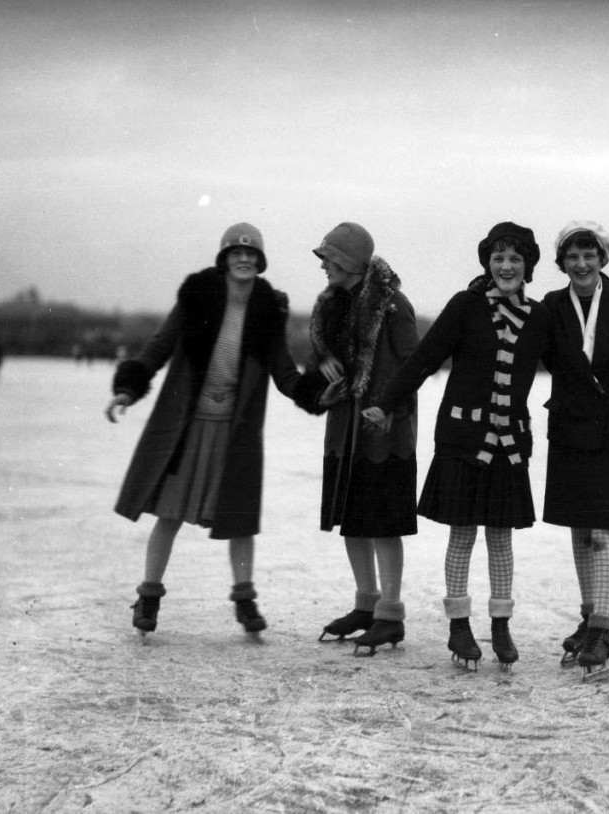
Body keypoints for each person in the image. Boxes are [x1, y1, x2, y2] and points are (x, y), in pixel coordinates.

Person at [105, 223, 311, 635]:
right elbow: (160, 344)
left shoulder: (269, 308)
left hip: (236, 431)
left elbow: (283, 370)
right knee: (169, 514)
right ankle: (148, 597)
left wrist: (316, 392)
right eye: (236, 252)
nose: (244, 259)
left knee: (239, 518)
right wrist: (129, 387)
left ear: (260, 261)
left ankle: (245, 601)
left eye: (252, 254)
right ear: (224, 258)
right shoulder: (198, 295)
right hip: (188, 427)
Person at [364, 222, 550, 669]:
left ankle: (501, 625)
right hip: (464, 440)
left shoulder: (541, 315)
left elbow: (570, 368)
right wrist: (387, 403)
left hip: (508, 443)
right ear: (487, 261)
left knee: (501, 538)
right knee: (463, 534)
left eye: (516, 259)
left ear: (528, 267)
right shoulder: (465, 306)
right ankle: (459, 625)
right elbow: (425, 357)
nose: (506, 266)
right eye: (498, 257)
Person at [294, 223, 419, 655]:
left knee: (383, 524)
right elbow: (325, 367)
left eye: (328, 258)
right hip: (344, 432)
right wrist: (322, 371)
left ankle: (391, 612)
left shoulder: (392, 306)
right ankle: (366, 604)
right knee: (354, 521)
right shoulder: (331, 307)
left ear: (348, 261)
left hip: (383, 433)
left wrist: (390, 409)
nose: (323, 265)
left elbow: (412, 368)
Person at [540, 221, 609, 678]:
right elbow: (544, 357)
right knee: (579, 528)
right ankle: (589, 620)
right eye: (572, 256)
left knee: (604, 530)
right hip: (569, 428)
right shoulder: (551, 305)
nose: (581, 264)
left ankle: (602, 631)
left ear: (603, 257)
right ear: (562, 262)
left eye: (589, 255)